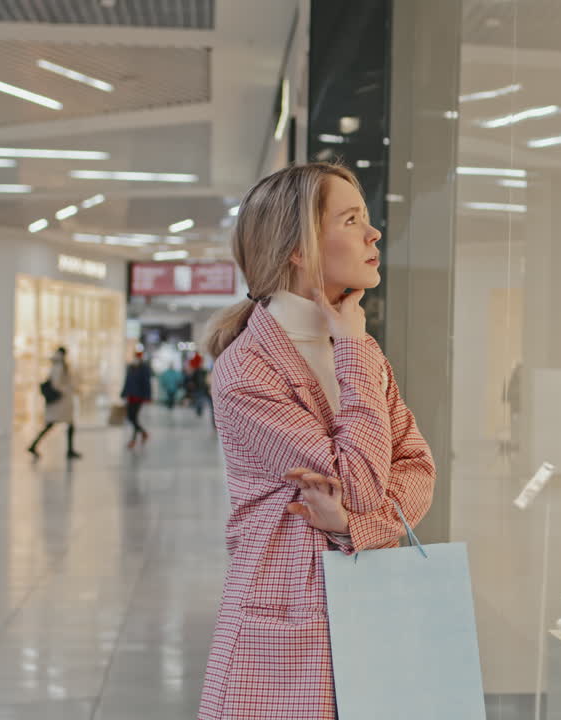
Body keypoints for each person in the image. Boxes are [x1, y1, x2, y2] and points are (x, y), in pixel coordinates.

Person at [196, 162, 435, 720]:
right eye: (351, 220)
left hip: (372, 603)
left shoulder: (362, 348)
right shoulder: (246, 372)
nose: (373, 234)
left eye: (367, 220)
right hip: (283, 621)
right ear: (298, 247)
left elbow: (419, 472)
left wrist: (352, 526)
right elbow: (359, 481)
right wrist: (350, 349)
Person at [28, 346, 80, 460]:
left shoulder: (58, 365)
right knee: (52, 425)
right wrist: (68, 389)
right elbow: (57, 384)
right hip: (60, 402)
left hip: (61, 402)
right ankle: (33, 446)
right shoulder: (59, 366)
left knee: (68, 425)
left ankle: (69, 450)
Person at [121, 351, 152, 448]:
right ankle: (143, 433)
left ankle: (133, 440)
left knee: (133, 418)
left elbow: (147, 383)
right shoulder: (131, 367)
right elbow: (127, 381)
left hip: (139, 397)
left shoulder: (144, 368)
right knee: (131, 418)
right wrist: (123, 393)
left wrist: (148, 397)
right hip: (131, 397)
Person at [185, 353, 211, 418]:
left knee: (200, 400)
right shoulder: (196, 371)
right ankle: (198, 410)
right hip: (197, 388)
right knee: (198, 400)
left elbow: (206, 379)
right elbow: (192, 379)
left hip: (203, 388)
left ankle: (199, 410)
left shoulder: (204, 371)